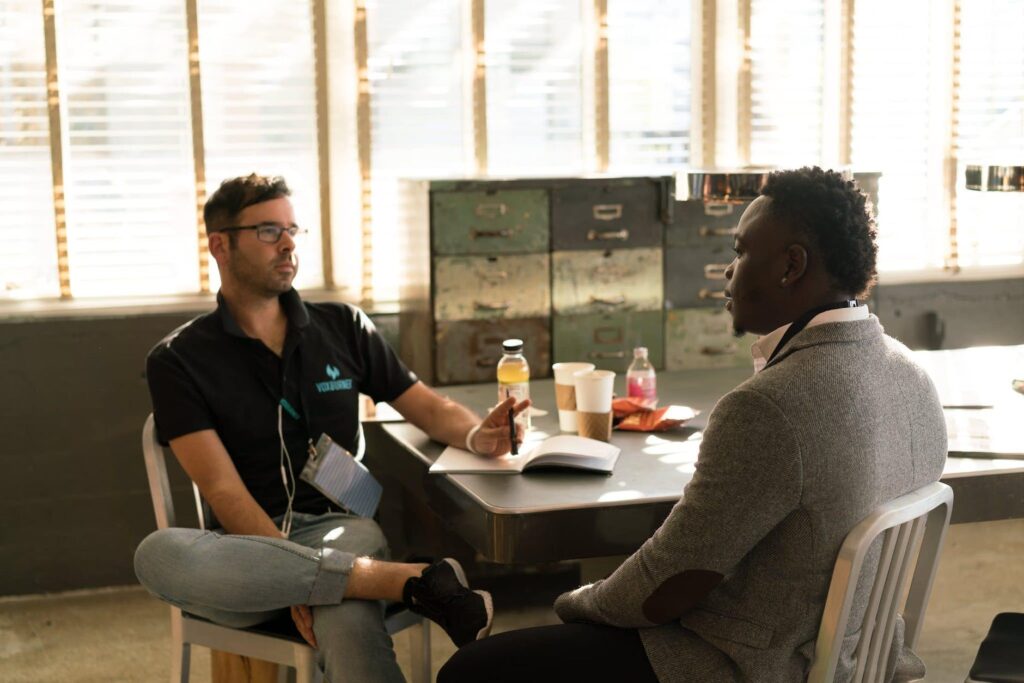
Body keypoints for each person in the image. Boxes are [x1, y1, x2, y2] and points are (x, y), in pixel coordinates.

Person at [437, 167, 948, 683]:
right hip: (859, 661)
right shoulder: (912, 375)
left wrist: (578, 604)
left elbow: (669, 585)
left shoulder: (769, 407)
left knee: (472, 671)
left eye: (741, 251)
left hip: (748, 665)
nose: (728, 271)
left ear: (791, 265)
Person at [133, 173, 529, 683]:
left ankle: (363, 581)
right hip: (246, 555)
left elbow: (428, 408)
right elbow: (223, 491)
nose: (290, 243)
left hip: (344, 529)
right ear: (220, 245)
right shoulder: (178, 360)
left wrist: (481, 434)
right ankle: (412, 581)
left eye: (293, 229)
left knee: (343, 608)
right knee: (157, 555)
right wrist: (295, 575)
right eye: (269, 231)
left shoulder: (342, 325)